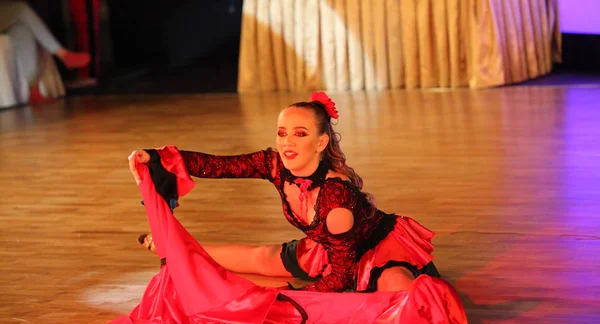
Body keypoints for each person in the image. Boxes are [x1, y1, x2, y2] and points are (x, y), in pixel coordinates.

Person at [128, 92, 442, 293]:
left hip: (376, 252)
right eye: (282, 133)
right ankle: (174, 248)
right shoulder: (275, 164)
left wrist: (288, 298)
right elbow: (216, 165)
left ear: (320, 143)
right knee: (262, 257)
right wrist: (156, 158)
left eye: (299, 134)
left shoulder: (336, 198)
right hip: (330, 248)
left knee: (399, 290)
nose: (287, 142)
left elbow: (342, 275)